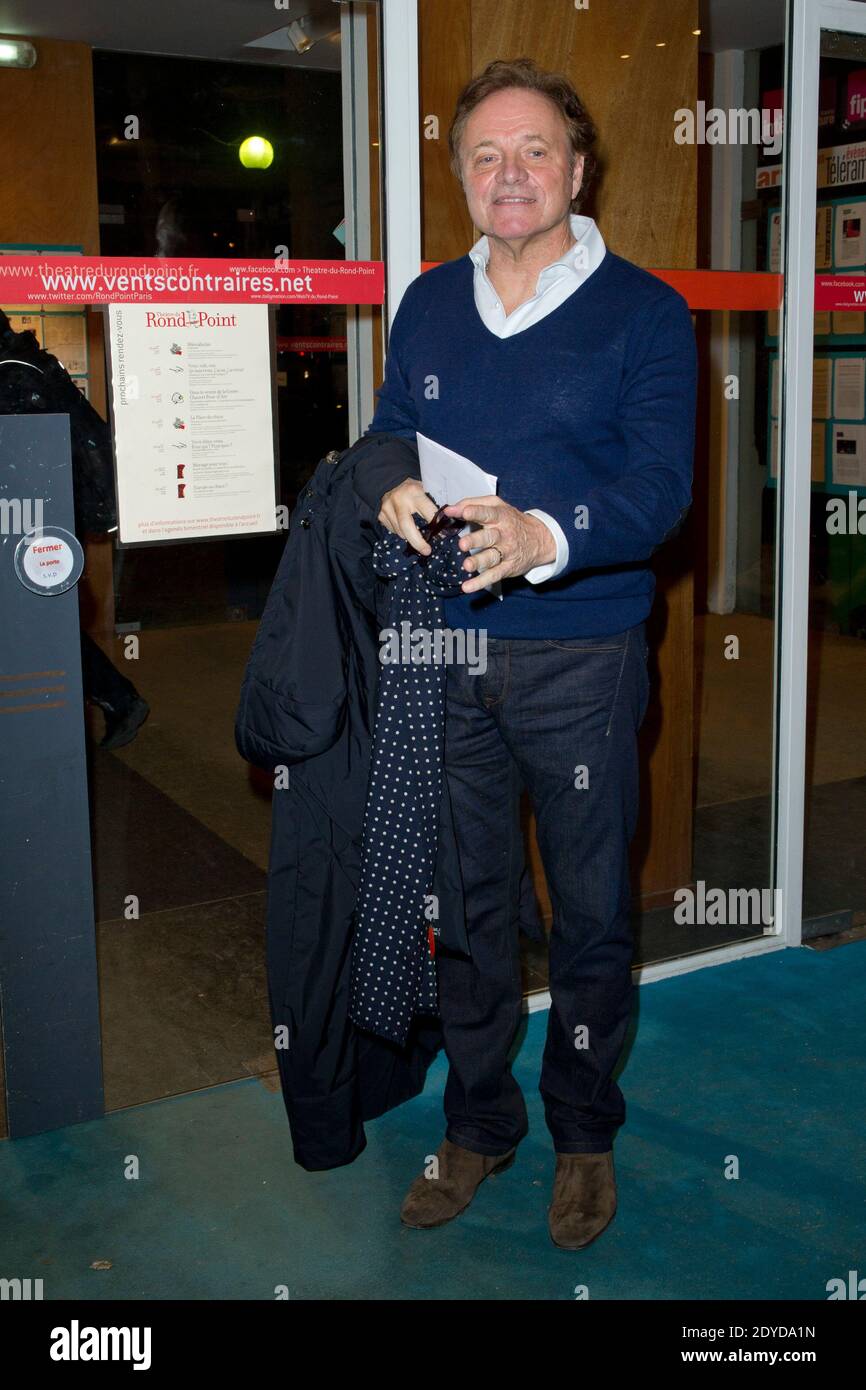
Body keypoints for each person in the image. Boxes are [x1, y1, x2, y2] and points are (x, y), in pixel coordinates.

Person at [364, 57, 697, 1248]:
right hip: (446, 648)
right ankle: (478, 1122)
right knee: (466, 909)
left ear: (577, 166)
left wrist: (544, 533)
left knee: (592, 910)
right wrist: (390, 477)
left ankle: (584, 1131)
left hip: (581, 657)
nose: (510, 174)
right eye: (484, 156)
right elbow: (387, 427)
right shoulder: (427, 300)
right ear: (458, 175)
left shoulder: (645, 312)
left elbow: (662, 486)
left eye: (533, 151)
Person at [0, 308, 149, 748]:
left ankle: (115, 698)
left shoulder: (13, 377)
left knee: (37, 626)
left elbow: (24, 466)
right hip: (48, 521)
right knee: (42, 625)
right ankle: (116, 697)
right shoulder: (29, 365)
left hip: (34, 523)